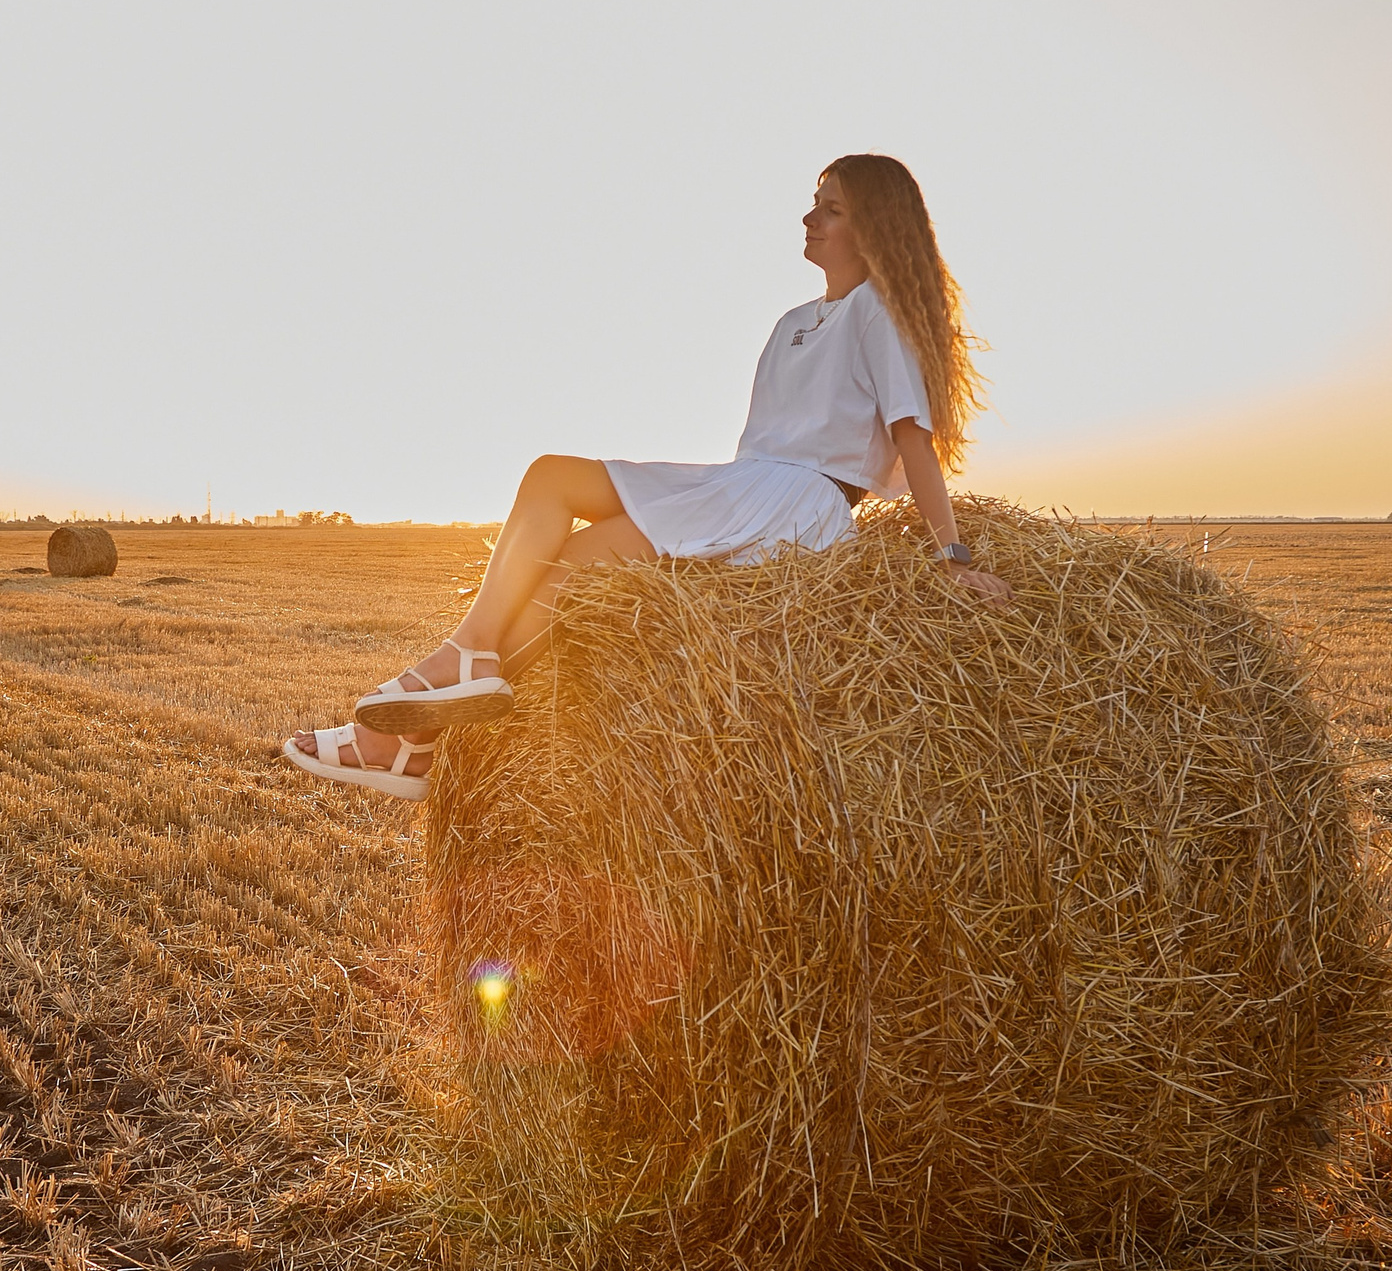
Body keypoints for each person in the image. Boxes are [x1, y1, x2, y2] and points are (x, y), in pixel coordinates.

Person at [285, 152, 1013, 801]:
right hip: (745, 485)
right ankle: (438, 702)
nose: (808, 217)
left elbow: (912, 440)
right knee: (552, 502)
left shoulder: (880, 315)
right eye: (814, 200)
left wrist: (951, 557)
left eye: (831, 207)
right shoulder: (792, 321)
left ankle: (411, 717)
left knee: (564, 555)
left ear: (874, 226)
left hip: (799, 504)